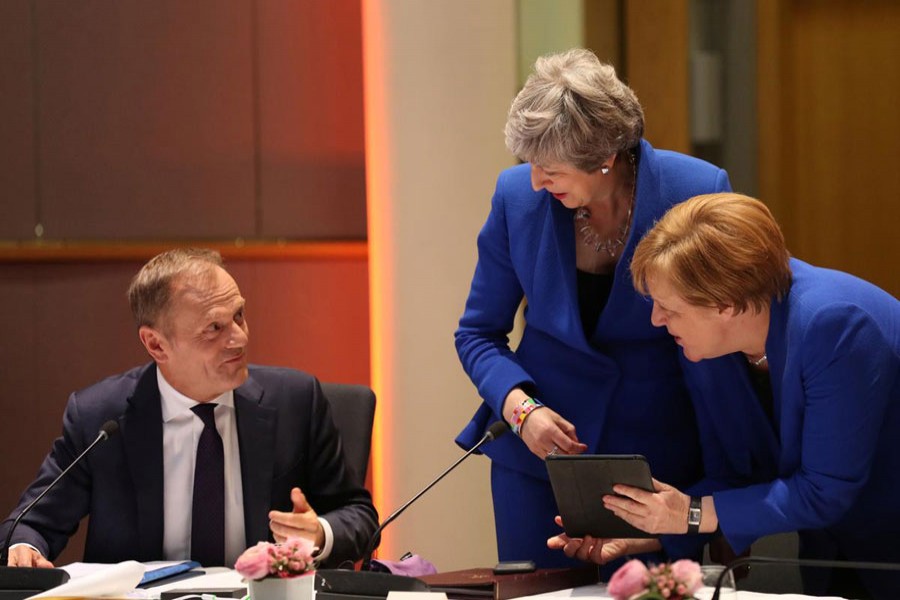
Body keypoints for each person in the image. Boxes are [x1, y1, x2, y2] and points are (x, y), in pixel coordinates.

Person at [454, 48, 752, 569]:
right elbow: (478, 334)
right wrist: (522, 411)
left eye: (549, 169)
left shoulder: (696, 191)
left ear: (604, 157)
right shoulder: (516, 199)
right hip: (539, 462)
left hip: (658, 466)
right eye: (529, 165)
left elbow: (725, 336)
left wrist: (726, 481)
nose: (535, 183)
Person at [552, 193, 899, 598]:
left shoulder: (834, 326)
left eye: (670, 308)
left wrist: (689, 515)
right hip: (835, 556)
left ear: (726, 304)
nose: (656, 320)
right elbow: (738, 472)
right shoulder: (711, 346)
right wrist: (651, 530)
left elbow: (825, 490)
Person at [0, 248, 378, 568]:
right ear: (157, 345)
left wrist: (319, 534)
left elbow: (358, 515)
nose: (239, 338)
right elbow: (30, 523)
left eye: (239, 316)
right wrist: (25, 547)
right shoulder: (101, 417)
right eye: (214, 328)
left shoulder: (296, 401)